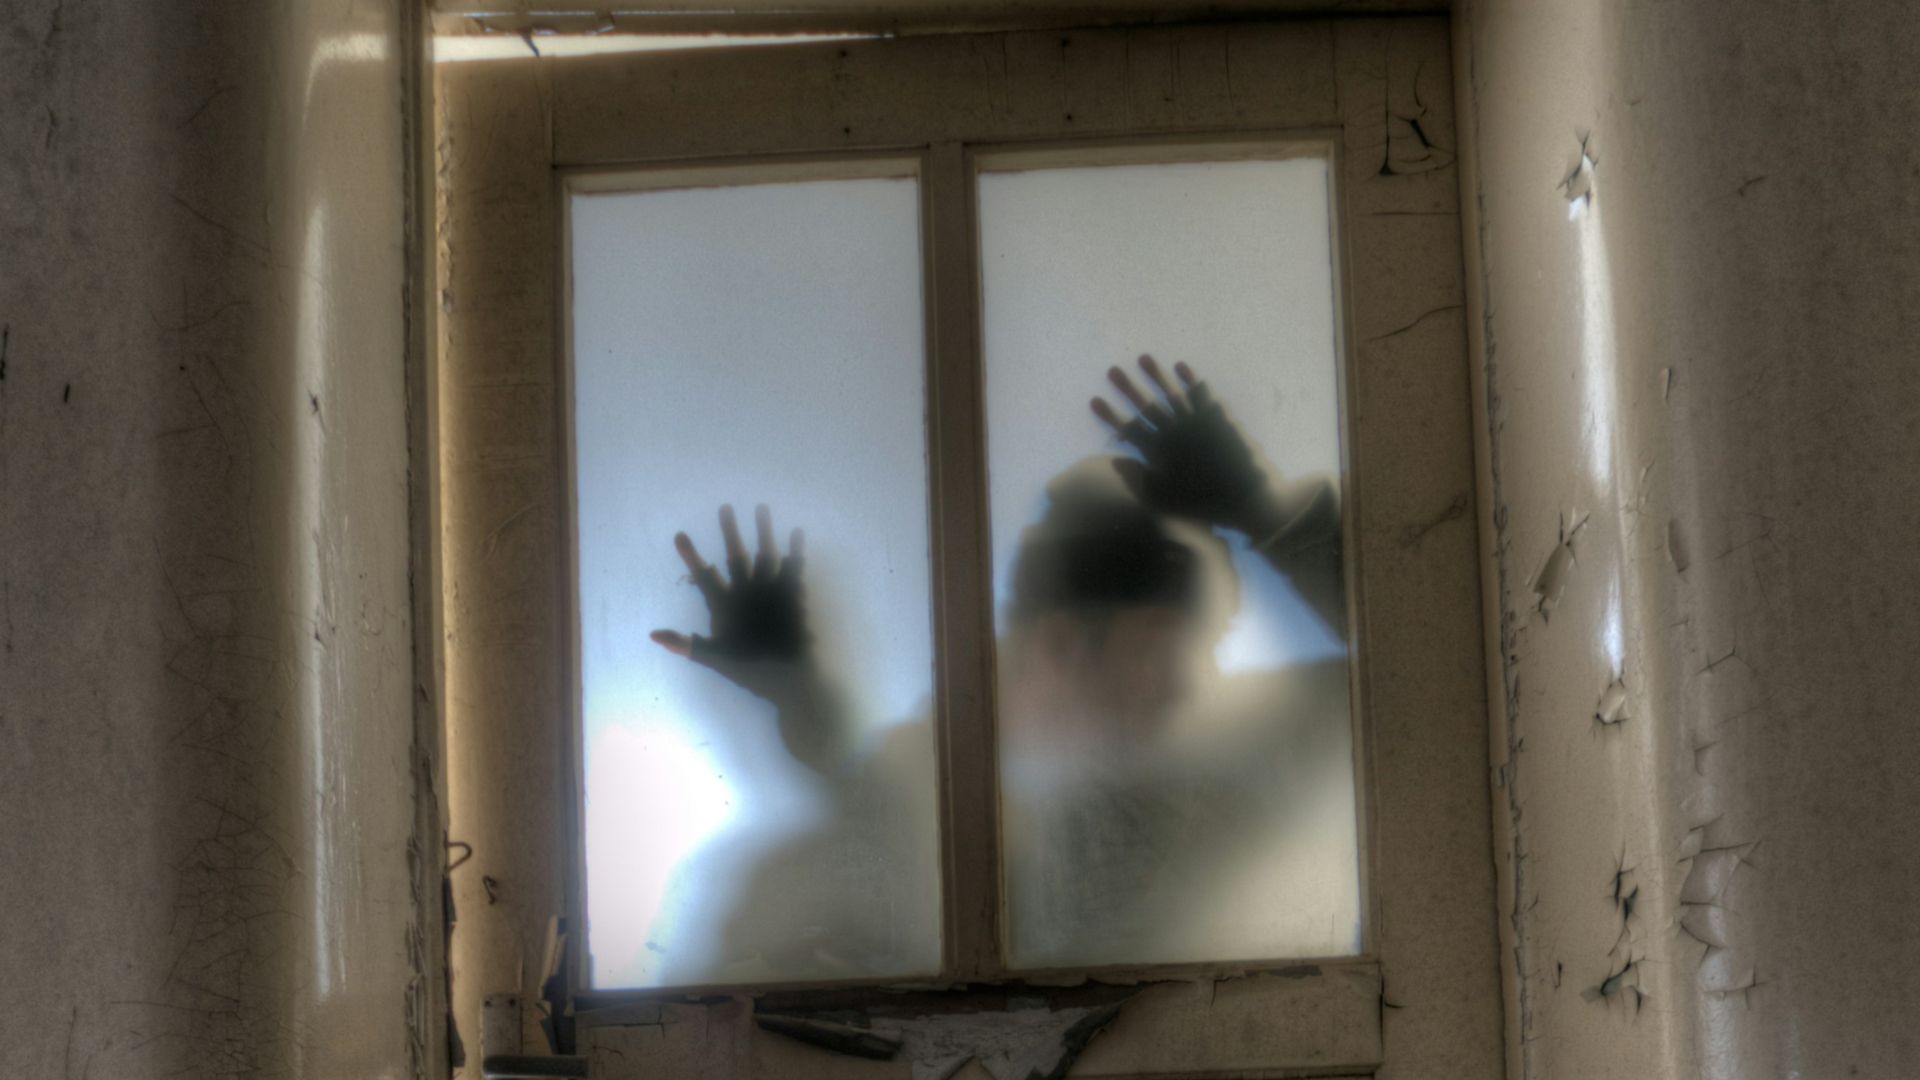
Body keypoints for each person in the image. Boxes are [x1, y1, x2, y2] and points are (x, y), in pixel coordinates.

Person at [647, 356, 1352, 981]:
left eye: (1204, 646)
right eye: (1161, 645)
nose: (1186, 681)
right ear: (1060, 645)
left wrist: (1266, 513)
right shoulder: (858, 847)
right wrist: (804, 707)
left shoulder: (1223, 793)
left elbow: (1426, 683)